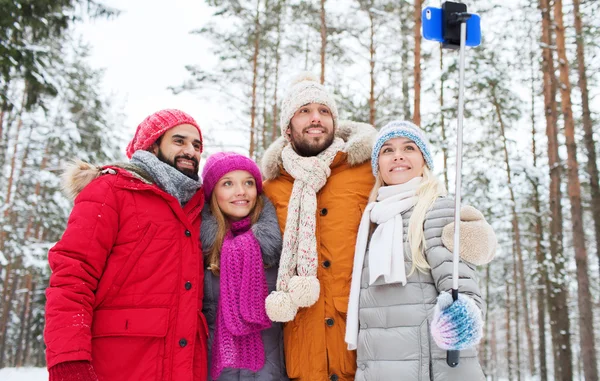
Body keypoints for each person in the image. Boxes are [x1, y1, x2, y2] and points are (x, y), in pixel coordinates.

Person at [44, 109, 208, 381]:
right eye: (179, 141)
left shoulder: (198, 207)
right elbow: (72, 276)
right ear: (153, 144)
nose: (190, 150)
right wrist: (69, 358)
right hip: (116, 365)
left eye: (197, 145)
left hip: (182, 366)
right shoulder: (111, 190)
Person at [345, 120, 491, 381]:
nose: (398, 155)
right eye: (387, 150)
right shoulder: (373, 221)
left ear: (424, 161)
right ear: (378, 165)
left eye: (409, 148)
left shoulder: (438, 211)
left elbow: (465, 294)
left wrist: (459, 318)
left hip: (432, 370)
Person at [260, 73, 377, 381]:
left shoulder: (367, 171)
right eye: (305, 111)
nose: (316, 118)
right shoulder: (271, 186)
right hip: (302, 348)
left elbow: (415, 202)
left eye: (324, 111)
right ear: (288, 127)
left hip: (360, 347)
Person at [199, 152, 288, 381]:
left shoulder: (276, 244)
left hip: (270, 372)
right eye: (228, 183)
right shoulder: (199, 248)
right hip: (216, 371)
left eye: (248, 183)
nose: (241, 191)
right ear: (212, 192)